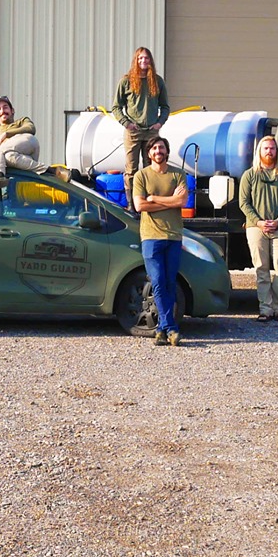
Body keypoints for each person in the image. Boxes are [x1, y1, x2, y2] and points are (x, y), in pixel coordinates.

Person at [130, 137, 189, 347]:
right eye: (154, 148)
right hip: (151, 236)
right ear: (148, 153)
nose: (158, 151)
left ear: (167, 150)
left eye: (161, 147)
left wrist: (154, 198)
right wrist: (169, 201)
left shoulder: (178, 174)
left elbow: (182, 201)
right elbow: (139, 206)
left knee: (170, 283)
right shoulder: (141, 176)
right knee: (157, 281)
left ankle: (162, 330)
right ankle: (171, 327)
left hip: (173, 236)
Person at [240, 134, 278, 322]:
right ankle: (265, 309)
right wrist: (259, 221)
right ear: (259, 151)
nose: (269, 151)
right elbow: (244, 203)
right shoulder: (250, 175)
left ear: (276, 151)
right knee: (261, 269)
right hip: (256, 228)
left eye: (272, 148)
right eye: (266, 148)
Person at [110, 46, 169, 172]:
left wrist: (159, 123)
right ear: (136, 60)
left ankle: (150, 192)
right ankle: (130, 192)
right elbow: (116, 107)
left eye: (146, 58)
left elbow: (165, 107)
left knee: (151, 168)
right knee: (131, 168)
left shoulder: (158, 81)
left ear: (150, 60)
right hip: (133, 132)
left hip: (151, 131)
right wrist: (127, 124)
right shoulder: (126, 81)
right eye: (140, 58)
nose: (143, 60)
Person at [0, 96, 40, 194]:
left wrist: (6, 134)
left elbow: (31, 129)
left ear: (12, 111)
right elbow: (0, 152)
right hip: (11, 163)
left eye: (5, 107)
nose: (2, 111)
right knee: (5, 155)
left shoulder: (22, 121)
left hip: (25, 157)